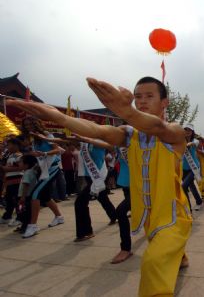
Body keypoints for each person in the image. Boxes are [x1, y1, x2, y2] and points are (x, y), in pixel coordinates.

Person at [7, 76, 193, 296]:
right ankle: (180, 256)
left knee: (153, 263)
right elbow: (97, 131)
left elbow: (155, 125)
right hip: (149, 215)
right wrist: (58, 117)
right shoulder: (129, 134)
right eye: (138, 97)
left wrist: (127, 111)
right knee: (162, 247)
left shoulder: (174, 132)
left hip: (173, 215)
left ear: (165, 102)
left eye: (149, 96)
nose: (142, 101)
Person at [19, 117, 64, 238]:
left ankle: (32, 225)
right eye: (26, 125)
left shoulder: (46, 134)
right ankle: (59, 217)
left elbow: (57, 150)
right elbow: (38, 155)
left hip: (52, 168)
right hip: (42, 169)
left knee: (35, 194)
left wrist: (44, 153)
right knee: (45, 196)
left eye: (30, 124)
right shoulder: (33, 139)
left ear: (36, 124)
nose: (28, 126)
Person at [111, 146, 133, 264]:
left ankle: (125, 249)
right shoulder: (119, 145)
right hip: (126, 184)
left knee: (120, 211)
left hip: (140, 187)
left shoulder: (140, 141)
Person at [0, 137, 23, 226]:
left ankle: (20, 217)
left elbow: (21, 167)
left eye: (8, 145)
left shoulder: (19, 155)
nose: (7, 147)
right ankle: (7, 216)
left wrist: (7, 169)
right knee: (9, 200)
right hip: (9, 182)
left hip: (17, 181)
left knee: (18, 201)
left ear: (15, 145)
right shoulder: (9, 155)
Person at [181, 124, 203, 211]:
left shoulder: (195, 140)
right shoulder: (180, 141)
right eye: (185, 129)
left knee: (184, 186)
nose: (187, 131)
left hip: (193, 168)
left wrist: (190, 143)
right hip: (184, 168)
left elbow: (195, 143)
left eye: (189, 130)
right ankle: (199, 201)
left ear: (192, 132)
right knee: (191, 186)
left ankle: (188, 210)